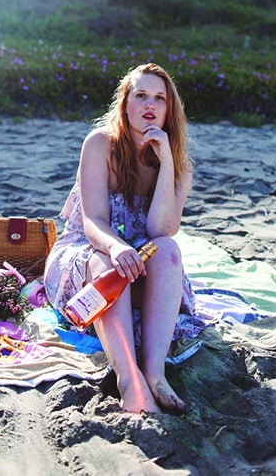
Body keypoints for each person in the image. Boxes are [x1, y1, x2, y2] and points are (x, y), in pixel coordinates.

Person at [43, 62, 196, 414]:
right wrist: (116, 247)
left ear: (169, 109)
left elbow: (161, 231)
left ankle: (155, 373)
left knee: (169, 250)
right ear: (125, 104)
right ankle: (129, 379)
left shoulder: (180, 165)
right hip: (91, 249)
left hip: (140, 259)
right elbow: (92, 221)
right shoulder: (99, 145)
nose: (150, 105)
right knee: (103, 263)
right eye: (141, 95)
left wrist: (167, 163)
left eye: (160, 98)